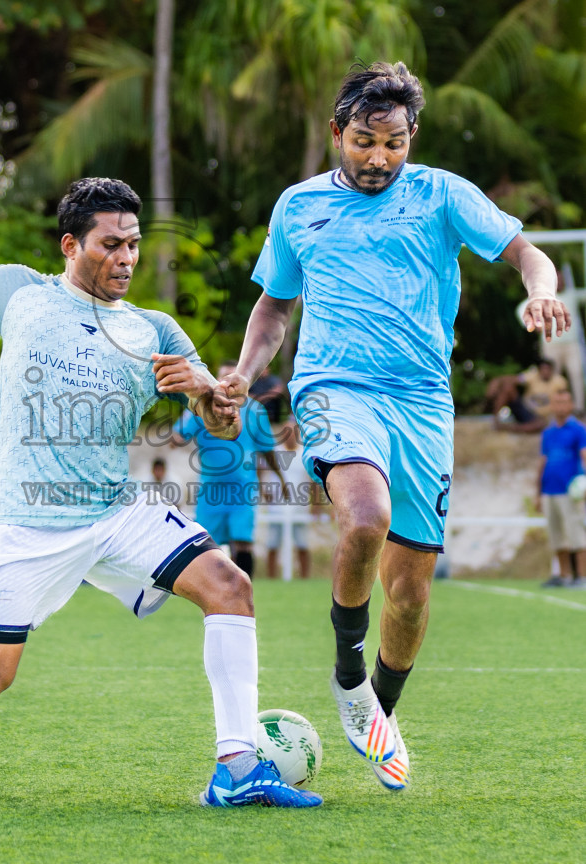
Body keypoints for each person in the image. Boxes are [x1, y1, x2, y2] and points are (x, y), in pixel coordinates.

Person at [0, 177, 320, 809]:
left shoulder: (157, 331)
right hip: (24, 520)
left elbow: (224, 423)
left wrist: (206, 395)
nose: (126, 257)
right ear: (71, 245)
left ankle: (235, 768)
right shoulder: (20, 293)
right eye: (110, 244)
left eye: (133, 244)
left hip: (112, 509)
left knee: (230, 586)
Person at [216, 62, 570, 792]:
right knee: (364, 517)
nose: (378, 157)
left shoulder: (441, 193)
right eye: (364, 140)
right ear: (336, 133)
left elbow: (524, 253)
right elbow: (274, 308)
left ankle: (380, 707)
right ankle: (348, 676)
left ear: (412, 137)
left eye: (393, 143)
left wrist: (539, 293)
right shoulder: (298, 206)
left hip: (420, 401)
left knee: (408, 595)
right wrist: (246, 374)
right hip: (333, 387)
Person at [170, 362, 285, 578]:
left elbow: (267, 451)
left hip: (243, 488)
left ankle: (243, 592)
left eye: (229, 381)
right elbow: (177, 437)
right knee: (207, 544)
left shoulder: (255, 410)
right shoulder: (202, 409)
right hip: (210, 489)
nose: (224, 386)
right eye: (220, 380)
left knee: (242, 542)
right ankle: (214, 592)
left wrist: (280, 479)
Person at [535, 388, 586, 587]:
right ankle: (563, 576)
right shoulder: (548, 433)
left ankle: (581, 576)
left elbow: (584, 456)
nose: (560, 406)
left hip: (570, 491)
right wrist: (538, 492)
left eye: (564, 402)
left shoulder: (578, 430)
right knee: (556, 535)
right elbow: (542, 462)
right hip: (550, 489)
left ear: (571, 405)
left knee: (576, 534)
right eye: (557, 402)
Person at [518, 273, 586, 413]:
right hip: (551, 344)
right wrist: (531, 324)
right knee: (552, 378)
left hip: (572, 345)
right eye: (557, 280)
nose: (560, 283)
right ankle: (553, 410)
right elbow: (521, 309)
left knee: (577, 374)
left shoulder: (571, 295)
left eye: (562, 280)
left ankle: (579, 409)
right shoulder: (544, 297)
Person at [262, 423, 314, 580]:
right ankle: (271, 578)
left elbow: (313, 480)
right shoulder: (275, 452)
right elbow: (262, 469)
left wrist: (315, 504)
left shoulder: (304, 453)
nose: (290, 436)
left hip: (299, 507)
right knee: (272, 545)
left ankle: (305, 579)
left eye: (293, 433)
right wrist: (264, 491)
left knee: (303, 545)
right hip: (277, 507)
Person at [487, 359, 569, 432]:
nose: (545, 371)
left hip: (540, 416)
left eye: (548, 369)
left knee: (540, 424)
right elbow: (512, 379)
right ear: (539, 370)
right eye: (543, 369)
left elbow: (565, 399)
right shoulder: (532, 376)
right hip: (525, 409)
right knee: (508, 388)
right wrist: (495, 381)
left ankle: (510, 428)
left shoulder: (559, 381)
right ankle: (495, 420)